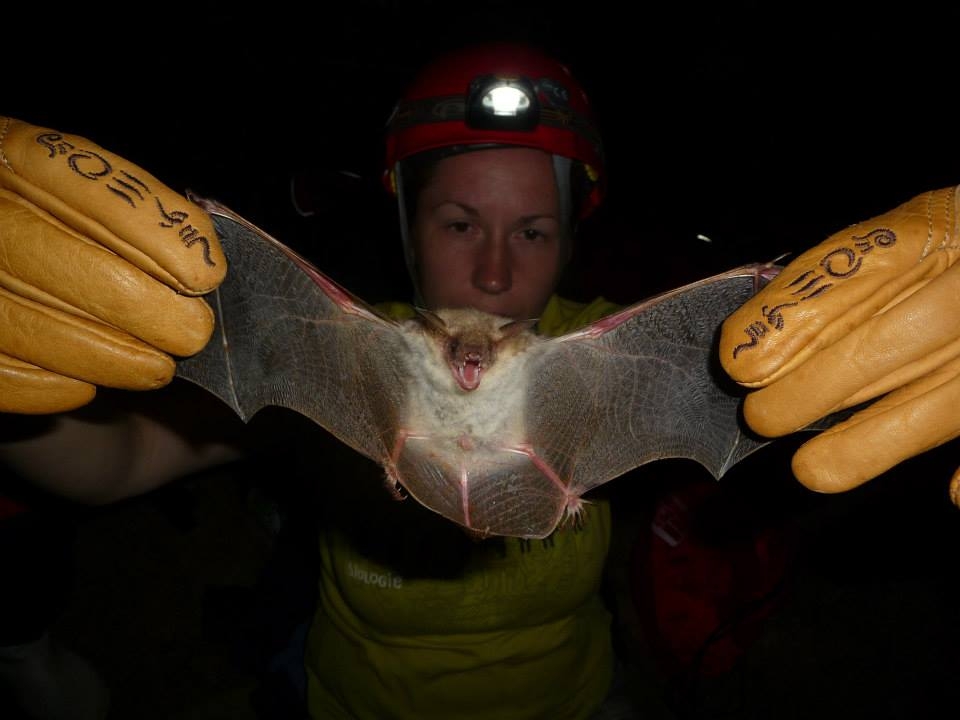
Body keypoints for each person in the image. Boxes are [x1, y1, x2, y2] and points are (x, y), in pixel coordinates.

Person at [0, 40, 958, 720]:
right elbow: (109, 463)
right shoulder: (342, 350)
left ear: (573, 243)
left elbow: (823, 422)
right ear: (403, 227)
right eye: (459, 224)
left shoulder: (610, 360)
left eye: (532, 233)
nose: (495, 277)